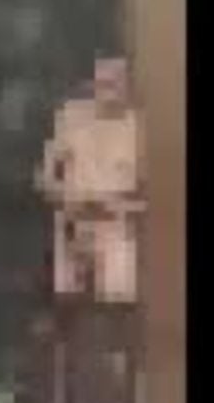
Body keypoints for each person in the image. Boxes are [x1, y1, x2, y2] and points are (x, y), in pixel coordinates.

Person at [35, 57, 144, 302]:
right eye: (102, 83)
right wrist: (63, 197)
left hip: (115, 228)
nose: (108, 92)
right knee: (69, 297)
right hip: (73, 221)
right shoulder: (72, 117)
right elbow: (44, 175)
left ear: (128, 87)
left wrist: (120, 207)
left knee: (116, 299)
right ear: (92, 85)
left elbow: (147, 194)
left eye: (115, 84)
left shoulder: (136, 128)